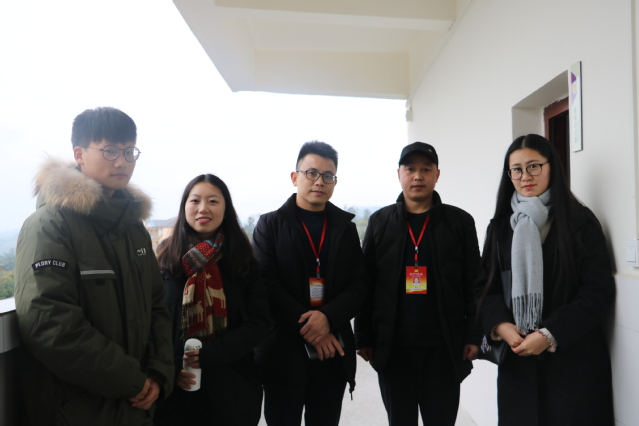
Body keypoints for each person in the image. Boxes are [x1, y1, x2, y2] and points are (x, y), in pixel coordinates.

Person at [14, 107, 174, 426]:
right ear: (79, 154)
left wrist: (159, 373)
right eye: (110, 150)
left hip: (137, 407)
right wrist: (132, 380)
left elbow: (157, 305)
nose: (122, 161)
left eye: (129, 151)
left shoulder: (134, 230)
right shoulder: (50, 225)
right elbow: (48, 320)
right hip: (76, 410)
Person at [475, 134, 615, 426]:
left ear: (552, 167)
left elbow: (597, 290)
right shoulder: (501, 227)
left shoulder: (579, 222)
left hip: (573, 360)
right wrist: (501, 326)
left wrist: (550, 334)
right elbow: (484, 287)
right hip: (518, 364)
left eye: (534, 166)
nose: (525, 176)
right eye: (516, 169)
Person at [354, 141, 481, 426]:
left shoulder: (459, 222)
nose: (418, 176)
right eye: (410, 169)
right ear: (399, 174)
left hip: (444, 348)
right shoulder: (380, 221)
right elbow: (366, 284)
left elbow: (475, 283)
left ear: (437, 174)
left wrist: (474, 335)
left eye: (426, 169)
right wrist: (363, 337)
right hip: (393, 349)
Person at [252, 141, 366, 426]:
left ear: (335, 182)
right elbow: (266, 284)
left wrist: (327, 318)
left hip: (332, 352)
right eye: (311, 173)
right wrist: (314, 330)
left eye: (328, 176)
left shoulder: (346, 228)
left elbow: (359, 284)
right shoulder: (269, 225)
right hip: (283, 352)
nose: (319, 181)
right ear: (295, 177)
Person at [153, 174, 268, 426]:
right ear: (184, 207)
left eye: (213, 201)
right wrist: (172, 369)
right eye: (195, 200)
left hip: (233, 388)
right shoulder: (164, 261)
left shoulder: (243, 261)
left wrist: (209, 353)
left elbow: (259, 324)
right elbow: (152, 323)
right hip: (174, 392)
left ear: (226, 210)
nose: (203, 208)